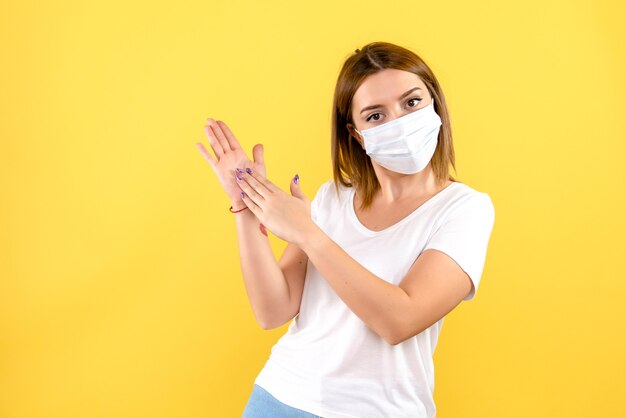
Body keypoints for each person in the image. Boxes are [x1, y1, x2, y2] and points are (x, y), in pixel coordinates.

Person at [196, 41, 496, 418]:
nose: (399, 122)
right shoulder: (332, 198)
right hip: (279, 398)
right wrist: (245, 205)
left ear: (434, 103)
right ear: (356, 134)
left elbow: (400, 320)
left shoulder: (464, 209)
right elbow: (273, 311)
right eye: (375, 116)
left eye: (411, 102)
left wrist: (308, 233)